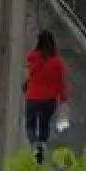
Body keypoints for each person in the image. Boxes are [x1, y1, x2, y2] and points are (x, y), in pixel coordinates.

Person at [22, 30, 69, 163]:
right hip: (49, 100)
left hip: (32, 97)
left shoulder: (32, 57)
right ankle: (41, 148)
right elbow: (61, 83)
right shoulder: (57, 63)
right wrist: (63, 98)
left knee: (30, 125)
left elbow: (28, 74)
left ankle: (34, 147)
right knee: (44, 124)